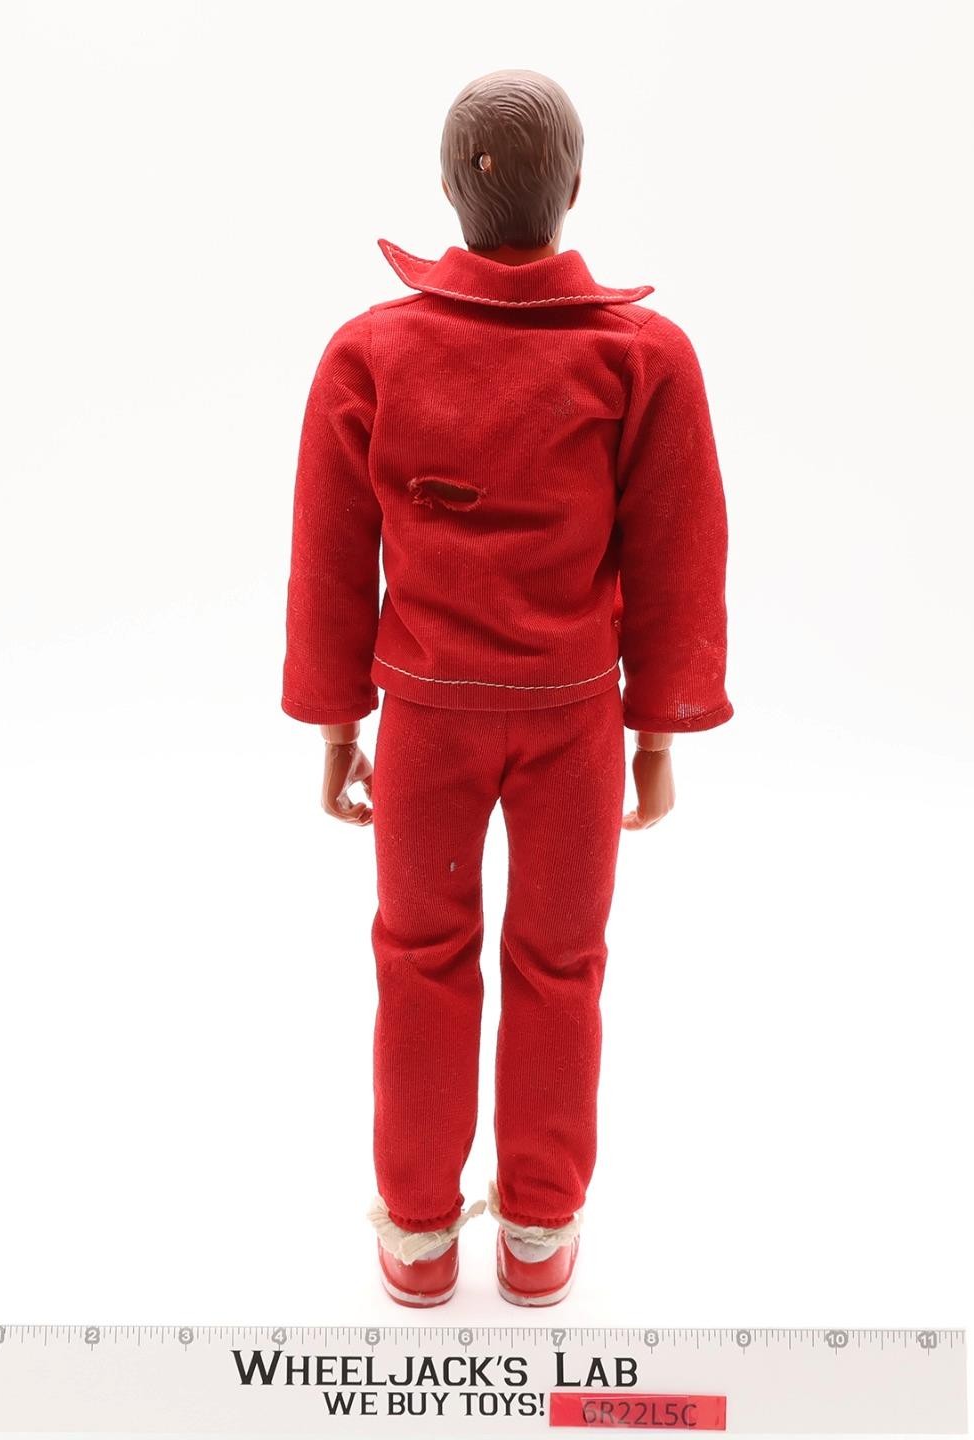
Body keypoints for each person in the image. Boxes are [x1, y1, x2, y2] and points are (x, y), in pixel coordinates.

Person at [281, 68, 733, 1307]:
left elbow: (330, 557)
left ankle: (417, 1232)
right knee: (560, 960)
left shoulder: (369, 352)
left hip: (423, 717)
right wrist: (654, 737)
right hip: (571, 718)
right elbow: (676, 554)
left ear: (445, 192)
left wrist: (337, 723)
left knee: (417, 953)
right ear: (574, 189)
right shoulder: (641, 359)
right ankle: (536, 1230)